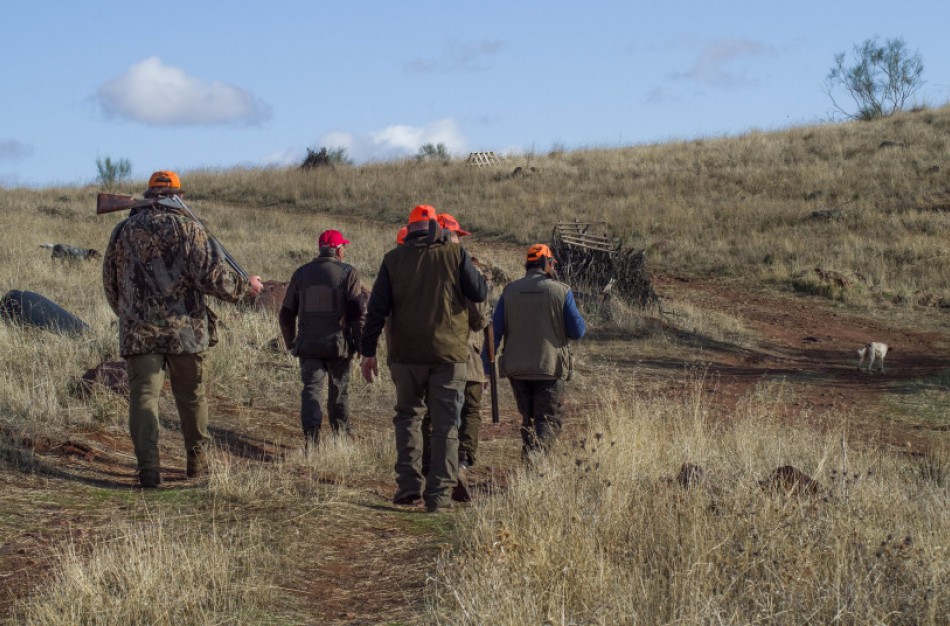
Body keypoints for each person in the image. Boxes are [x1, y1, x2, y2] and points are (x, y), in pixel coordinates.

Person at [103, 171, 263, 488]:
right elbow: (212, 278)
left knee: (144, 400)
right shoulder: (190, 228)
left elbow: (110, 281)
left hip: (140, 332)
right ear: (178, 196)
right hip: (186, 332)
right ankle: (198, 465)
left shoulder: (122, 231)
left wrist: (129, 315)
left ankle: (148, 470)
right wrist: (247, 288)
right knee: (191, 398)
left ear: (149, 194)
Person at [360, 205, 488, 513]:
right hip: (449, 355)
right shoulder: (454, 255)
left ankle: (408, 487)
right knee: (446, 424)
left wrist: (367, 353)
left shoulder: (393, 260)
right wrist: (459, 250)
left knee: (408, 417)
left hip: (405, 355)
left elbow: (376, 310)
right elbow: (480, 291)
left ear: (409, 230)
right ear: (436, 229)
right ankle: (439, 496)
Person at [489, 243, 586, 462]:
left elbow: (494, 333)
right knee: (549, 419)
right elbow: (578, 331)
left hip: (517, 370)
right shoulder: (561, 291)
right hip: (549, 368)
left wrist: (486, 368)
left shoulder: (509, 291)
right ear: (546, 263)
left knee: (529, 418)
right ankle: (536, 454)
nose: (554, 266)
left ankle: (531, 460)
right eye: (552, 262)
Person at [420, 213, 491, 502]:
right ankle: (459, 465)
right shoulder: (467, 267)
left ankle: (429, 468)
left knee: (433, 415)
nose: (461, 240)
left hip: (428, 353)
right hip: (466, 358)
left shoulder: (423, 267)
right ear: (451, 236)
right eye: (458, 235)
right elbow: (478, 320)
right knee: (469, 412)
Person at [279, 229, 365, 446]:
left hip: (308, 346)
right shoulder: (348, 273)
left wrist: (291, 343)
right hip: (338, 346)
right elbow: (357, 315)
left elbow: (286, 313)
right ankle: (341, 438)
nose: (344, 250)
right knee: (339, 392)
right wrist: (362, 346)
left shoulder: (301, 273)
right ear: (337, 249)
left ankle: (311, 439)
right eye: (343, 246)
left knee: (311, 391)